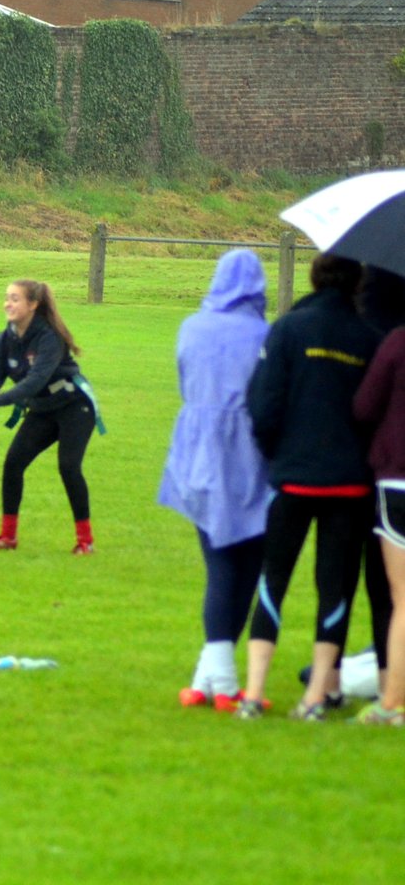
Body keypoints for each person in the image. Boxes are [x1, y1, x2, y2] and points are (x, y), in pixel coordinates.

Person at [237, 254, 378, 721]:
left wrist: (278, 456)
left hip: (293, 477)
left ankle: (253, 693)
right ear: (357, 282)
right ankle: (316, 698)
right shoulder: (368, 337)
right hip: (349, 484)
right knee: (334, 588)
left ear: (315, 276)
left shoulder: (289, 328)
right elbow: (371, 411)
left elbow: (262, 405)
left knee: (273, 578)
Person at [157, 250, 273, 710]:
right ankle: (223, 683)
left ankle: (206, 679)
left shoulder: (192, 326)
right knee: (243, 563)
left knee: (219, 559)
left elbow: (184, 380)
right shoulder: (263, 334)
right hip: (247, 451)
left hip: (196, 446)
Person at [0, 280, 102, 554]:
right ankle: (8, 537)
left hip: (74, 406)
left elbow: (35, 381)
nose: (8, 304)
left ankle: (86, 542)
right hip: (43, 408)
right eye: (6, 298)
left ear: (33, 304)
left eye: (15, 299)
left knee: (68, 467)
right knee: (13, 464)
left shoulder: (49, 337)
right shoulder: (4, 340)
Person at [352, 321, 405, 724]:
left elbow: (364, 407)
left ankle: (392, 703)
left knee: (403, 597)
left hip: (398, 477)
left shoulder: (398, 341)